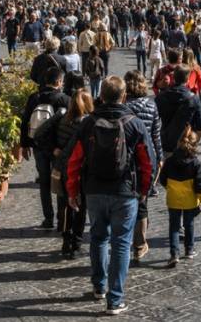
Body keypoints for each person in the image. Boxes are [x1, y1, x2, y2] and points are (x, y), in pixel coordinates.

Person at [65, 76, 154, 315]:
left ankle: (99, 286)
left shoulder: (88, 123)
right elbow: (148, 162)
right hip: (125, 191)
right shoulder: (135, 124)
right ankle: (115, 299)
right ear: (123, 96)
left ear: (101, 96)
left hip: (94, 189)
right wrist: (144, 191)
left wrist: (72, 190)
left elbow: (73, 160)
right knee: (121, 243)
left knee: (98, 238)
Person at [39, 88, 94, 258]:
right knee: (79, 206)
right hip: (79, 170)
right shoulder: (87, 123)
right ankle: (76, 244)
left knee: (64, 206)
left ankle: (65, 241)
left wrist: (53, 151)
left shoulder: (62, 118)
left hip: (61, 168)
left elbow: (40, 134)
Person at [22, 67, 71, 229]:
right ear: (58, 82)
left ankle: (48, 218)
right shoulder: (65, 100)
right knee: (60, 181)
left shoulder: (34, 98)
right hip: (58, 148)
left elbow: (25, 122)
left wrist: (25, 145)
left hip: (39, 146)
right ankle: (61, 219)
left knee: (44, 182)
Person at [124, 71, 163, 263]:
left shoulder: (123, 107)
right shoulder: (151, 105)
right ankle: (139, 244)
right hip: (146, 158)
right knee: (142, 199)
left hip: (127, 158)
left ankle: (127, 238)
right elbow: (156, 136)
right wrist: (160, 158)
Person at [158, 128, 201, 268]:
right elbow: (200, 186)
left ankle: (174, 254)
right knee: (189, 224)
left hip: (173, 199)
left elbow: (162, 179)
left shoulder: (169, 161)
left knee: (174, 227)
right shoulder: (196, 163)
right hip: (190, 200)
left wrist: (170, 188)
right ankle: (189, 249)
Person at [156, 66, 201, 157]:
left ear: (173, 78)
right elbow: (200, 126)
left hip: (166, 142)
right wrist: (193, 143)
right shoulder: (194, 98)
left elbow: (154, 121)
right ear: (187, 80)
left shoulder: (161, 96)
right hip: (185, 143)